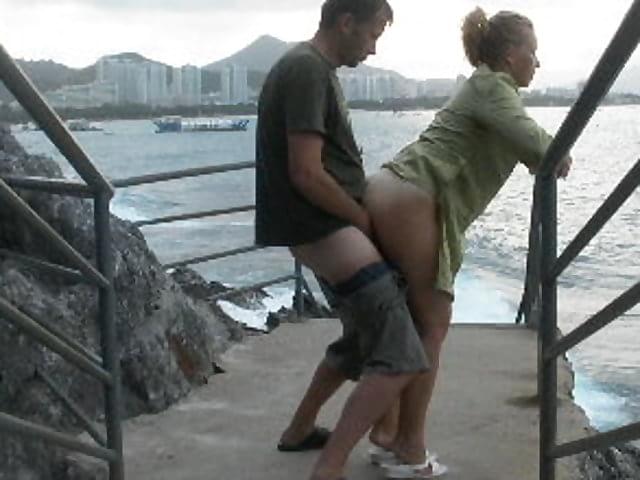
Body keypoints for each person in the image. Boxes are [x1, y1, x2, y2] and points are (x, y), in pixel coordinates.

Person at [361, 7, 572, 477]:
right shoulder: (494, 87)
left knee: (407, 322)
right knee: (432, 326)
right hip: (416, 197)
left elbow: (524, 145)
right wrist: (558, 155)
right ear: (511, 54)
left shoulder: (484, 89)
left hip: (394, 189)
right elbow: (543, 149)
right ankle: (409, 447)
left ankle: (389, 431)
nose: (537, 63)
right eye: (533, 52)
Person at [254, 1, 431, 479]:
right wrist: (363, 220)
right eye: (372, 35)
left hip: (318, 230)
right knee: (402, 353)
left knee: (359, 341)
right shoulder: (308, 70)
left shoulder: (310, 68)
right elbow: (306, 172)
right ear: (346, 22)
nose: (373, 49)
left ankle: (299, 430)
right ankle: (329, 468)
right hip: (325, 231)